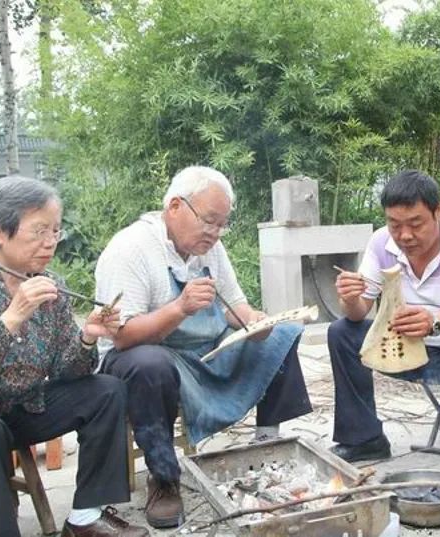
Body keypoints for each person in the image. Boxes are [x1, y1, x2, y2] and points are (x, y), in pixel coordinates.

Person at [0, 176, 148, 537]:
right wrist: (10, 319)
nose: (50, 242)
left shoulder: (50, 285)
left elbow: (68, 371)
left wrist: (86, 337)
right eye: (39, 231)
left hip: (9, 409)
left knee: (105, 390)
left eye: (55, 231)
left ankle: (84, 518)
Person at [95, 165, 313, 528]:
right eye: (209, 221)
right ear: (176, 206)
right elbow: (122, 335)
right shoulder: (131, 249)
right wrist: (179, 308)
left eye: (222, 224)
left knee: (281, 332)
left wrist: (255, 322)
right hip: (141, 356)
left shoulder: (209, 250)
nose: (215, 233)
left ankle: (268, 443)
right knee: (150, 364)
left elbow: (235, 305)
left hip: (201, 351)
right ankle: (164, 478)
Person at [328, 169, 440, 500]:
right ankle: (364, 438)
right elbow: (357, 313)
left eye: (415, 224)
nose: (404, 235)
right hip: (402, 348)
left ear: (438, 211)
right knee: (342, 332)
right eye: (394, 224)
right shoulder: (381, 242)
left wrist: (435, 322)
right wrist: (349, 296)